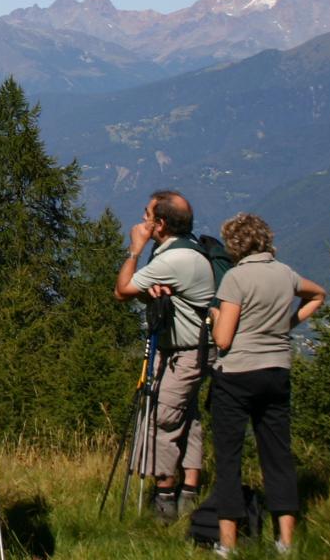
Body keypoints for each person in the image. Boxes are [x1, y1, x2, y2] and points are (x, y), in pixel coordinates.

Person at [209, 213, 325, 556]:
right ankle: (285, 541)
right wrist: (287, 324)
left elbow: (224, 338)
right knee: (277, 455)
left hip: (236, 374)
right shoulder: (285, 274)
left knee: (229, 458)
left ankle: (227, 544)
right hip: (276, 370)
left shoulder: (235, 278)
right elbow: (318, 294)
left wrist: (215, 316)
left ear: (234, 244)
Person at [113, 189, 215, 520]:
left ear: (160, 223)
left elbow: (122, 291)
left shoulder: (173, 258)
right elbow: (153, 296)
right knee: (188, 418)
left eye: (147, 215)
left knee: (163, 420)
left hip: (183, 354)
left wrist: (134, 250)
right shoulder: (182, 250)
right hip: (193, 351)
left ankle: (165, 500)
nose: (142, 219)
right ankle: (189, 494)